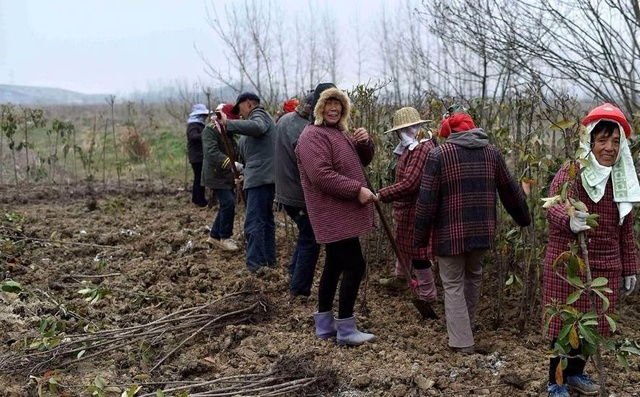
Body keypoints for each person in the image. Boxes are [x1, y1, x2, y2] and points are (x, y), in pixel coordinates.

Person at [542, 103, 639, 397]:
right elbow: (553, 207)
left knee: (588, 329)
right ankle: (556, 381)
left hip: (605, 266)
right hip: (569, 267)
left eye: (615, 141)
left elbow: (626, 230)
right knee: (564, 329)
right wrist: (568, 219)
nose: (608, 148)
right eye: (602, 140)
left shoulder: (622, 180)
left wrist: (631, 268)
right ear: (590, 142)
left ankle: (576, 374)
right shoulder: (572, 173)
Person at [414, 112, 531, 354]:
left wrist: (419, 240)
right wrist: (523, 218)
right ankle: (465, 327)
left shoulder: (439, 155)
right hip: (482, 231)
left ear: (451, 134)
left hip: (450, 233)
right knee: (473, 275)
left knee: (453, 283)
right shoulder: (492, 153)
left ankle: (461, 341)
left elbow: (426, 202)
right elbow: (509, 191)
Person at [296, 83, 377, 346]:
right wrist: (357, 190)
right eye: (328, 103)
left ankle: (324, 326)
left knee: (334, 264)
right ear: (318, 107)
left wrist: (364, 144)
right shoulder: (312, 136)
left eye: (338, 103)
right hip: (333, 214)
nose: (334, 108)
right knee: (355, 265)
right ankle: (346, 329)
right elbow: (321, 176)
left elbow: (357, 162)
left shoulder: (336, 133)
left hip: (339, 213)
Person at [377, 107, 439, 320]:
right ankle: (402, 277)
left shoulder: (422, 149)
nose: (399, 134)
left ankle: (428, 294)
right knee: (403, 242)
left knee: (418, 252)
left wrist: (382, 194)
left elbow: (411, 183)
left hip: (417, 207)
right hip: (406, 207)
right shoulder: (410, 148)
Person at [216, 92, 276, 272]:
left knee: (254, 223)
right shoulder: (251, 125)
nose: (239, 113)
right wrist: (245, 175)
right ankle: (267, 263)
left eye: (240, 108)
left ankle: (254, 266)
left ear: (249, 103)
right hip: (258, 178)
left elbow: (256, 127)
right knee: (264, 222)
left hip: (261, 180)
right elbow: (254, 155)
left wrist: (228, 123)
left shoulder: (260, 116)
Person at [274, 93, 320, 301]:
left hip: (285, 191)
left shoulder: (285, 120)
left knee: (305, 236)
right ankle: (299, 289)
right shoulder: (303, 130)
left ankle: (293, 274)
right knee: (311, 239)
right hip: (298, 194)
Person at [201, 103, 241, 252]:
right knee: (228, 203)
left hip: (226, 175)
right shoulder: (210, 130)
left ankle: (214, 235)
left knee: (226, 204)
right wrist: (231, 164)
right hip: (215, 174)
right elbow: (211, 153)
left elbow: (234, 148)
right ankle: (225, 237)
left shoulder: (227, 130)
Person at [186, 104, 210, 207]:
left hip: (199, 156)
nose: (205, 117)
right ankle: (200, 200)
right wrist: (206, 135)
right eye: (203, 115)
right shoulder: (193, 125)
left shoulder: (199, 125)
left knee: (198, 178)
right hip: (197, 157)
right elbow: (193, 137)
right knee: (200, 179)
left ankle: (196, 198)